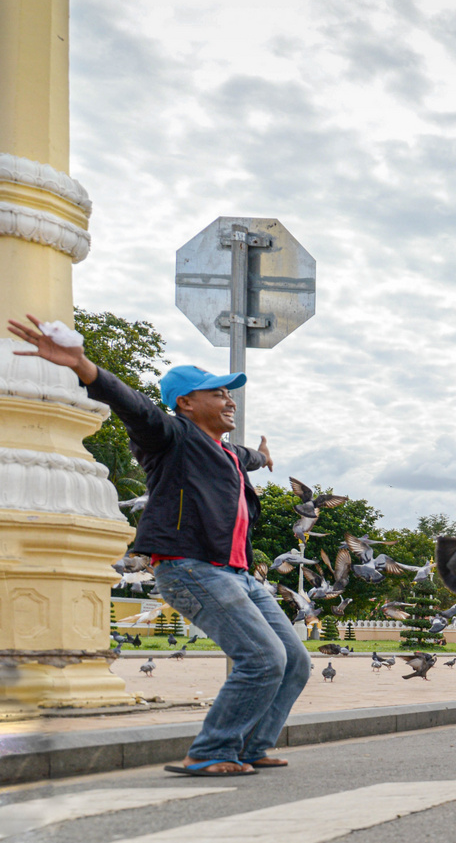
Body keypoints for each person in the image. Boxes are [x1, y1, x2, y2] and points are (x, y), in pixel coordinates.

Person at [9, 313, 308, 777]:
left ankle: (251, 746)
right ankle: (211, 750)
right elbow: (137, 407)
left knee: (295, 662)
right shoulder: (170, 437)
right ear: (186, 403)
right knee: (263, 658)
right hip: (191, 567)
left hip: (237, 575)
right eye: (218, 393)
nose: (229, 400)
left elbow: (246, 457)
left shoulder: (227, 451)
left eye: (229, 393)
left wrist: (263, 457)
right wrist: (85, 367)